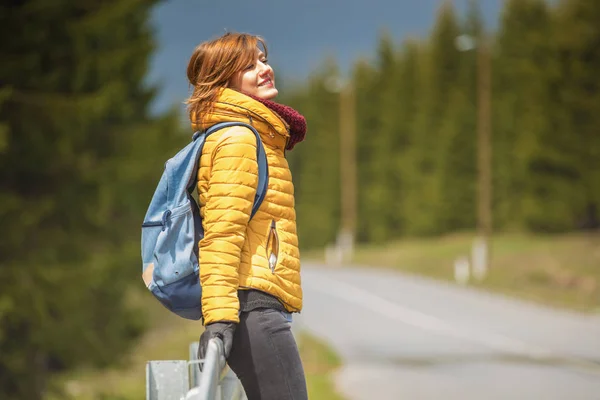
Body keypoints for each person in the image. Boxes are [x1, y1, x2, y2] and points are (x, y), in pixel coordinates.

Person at [185, 32, 308, 400]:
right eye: (249, 65)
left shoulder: (254, 133)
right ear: (225, 79)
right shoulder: (238, 138)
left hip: (260, 305)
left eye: (263, 59)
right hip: (251, 309)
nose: (265, 69)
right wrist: (220, 319)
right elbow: (221, 235)